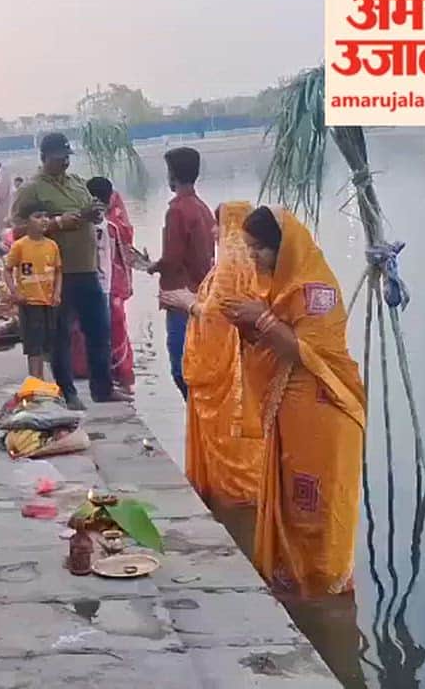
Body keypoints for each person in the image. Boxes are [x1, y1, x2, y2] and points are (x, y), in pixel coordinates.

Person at [215, 205, 364, 598]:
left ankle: (323, 586)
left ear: (285, 248)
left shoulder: (316, 292)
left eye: (258, 249)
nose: (252, 257)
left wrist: (260, 319)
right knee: (290, 495)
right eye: (247, 249)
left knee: (316, 502)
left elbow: (307, 352)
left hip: (324, 412)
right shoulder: (277, 289)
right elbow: (269, 344)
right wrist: (248, 324)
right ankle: (294, 580)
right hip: (290, 411)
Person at [11, 132, 128, 409]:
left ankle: (103, 388)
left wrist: (95, 212)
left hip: (86, 268)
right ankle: (68, 392)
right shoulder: (33, 190)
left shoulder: (77, 183)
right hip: (55, 273)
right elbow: (16, 228)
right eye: (58, 158)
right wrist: (58, 222)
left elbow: (90, 213)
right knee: (60, 336)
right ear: (44, 158)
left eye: (66, 158)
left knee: (99, 329)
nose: (64, 163)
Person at [159, 201, 263, 508]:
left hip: (227, 372)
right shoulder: (247, 267)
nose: (215, 230)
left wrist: (186, 303)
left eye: (219, 224)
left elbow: (218, 315)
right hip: (241, 367)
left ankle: (235, 496)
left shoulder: (231, 270)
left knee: (229, 438)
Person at [149, 146, 216, 399]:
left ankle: (199, 422)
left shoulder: (177, 210)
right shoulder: (202, 208)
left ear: (172, 174)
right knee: (200, 365)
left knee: (182, 369)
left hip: (181, 299)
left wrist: (153, 266)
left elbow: (172, 259)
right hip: (204, 294)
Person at [87, 176, 137, 393]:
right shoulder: (114, 226)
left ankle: (112, 376)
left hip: (98, 284)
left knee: (103, 330)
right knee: (115, 330)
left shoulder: (89, 225)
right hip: (111, 285)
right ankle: (120, 377)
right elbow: (126, 255)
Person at [5, 201, 63, 380]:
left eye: (46, 216)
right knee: (33, 347)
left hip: (49, 302)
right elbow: (7, 270)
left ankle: (47, 382)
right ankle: (35, 381)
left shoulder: (52, 245)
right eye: (38, 217)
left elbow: (58, 271)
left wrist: (57, 293)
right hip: (30, 303)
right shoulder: (20, 246)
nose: (44, 220)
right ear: (26, 223)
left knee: (48, 344)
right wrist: (15, 292)